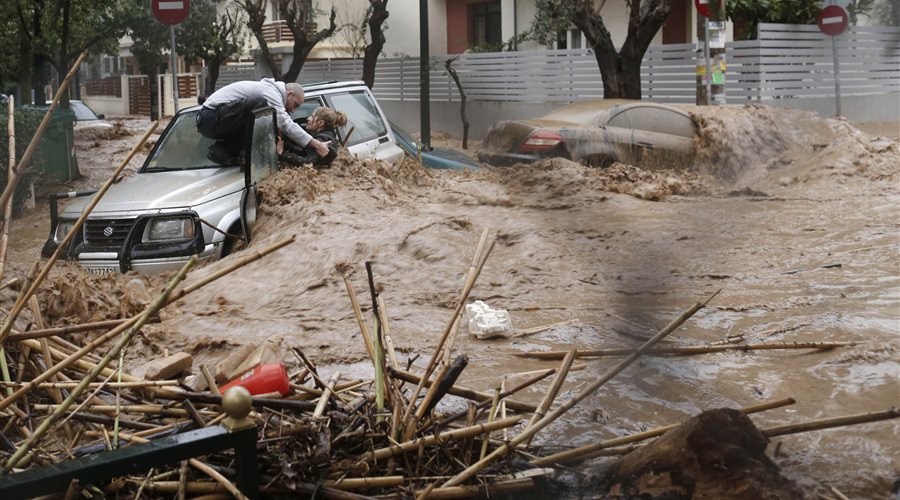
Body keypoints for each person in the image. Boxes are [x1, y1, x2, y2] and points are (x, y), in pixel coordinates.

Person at [196, 78, 330, 165]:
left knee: (268, 117)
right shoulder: (269, 92)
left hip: (217, 119)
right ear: (289, 94)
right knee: (262, 105)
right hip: (209, 118)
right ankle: (245, 156)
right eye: (295, 105)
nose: (294, 111)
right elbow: (285, 123)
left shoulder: (271, 93)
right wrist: (317, 145)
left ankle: (225, 151)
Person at [278, 107, 348, 169]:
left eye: (312, 116)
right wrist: (288, 145)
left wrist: (282, 153)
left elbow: (308, 163)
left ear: (320, 123)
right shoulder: (328, 135)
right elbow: (306, 153)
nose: (308, 119)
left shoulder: (321, 139)